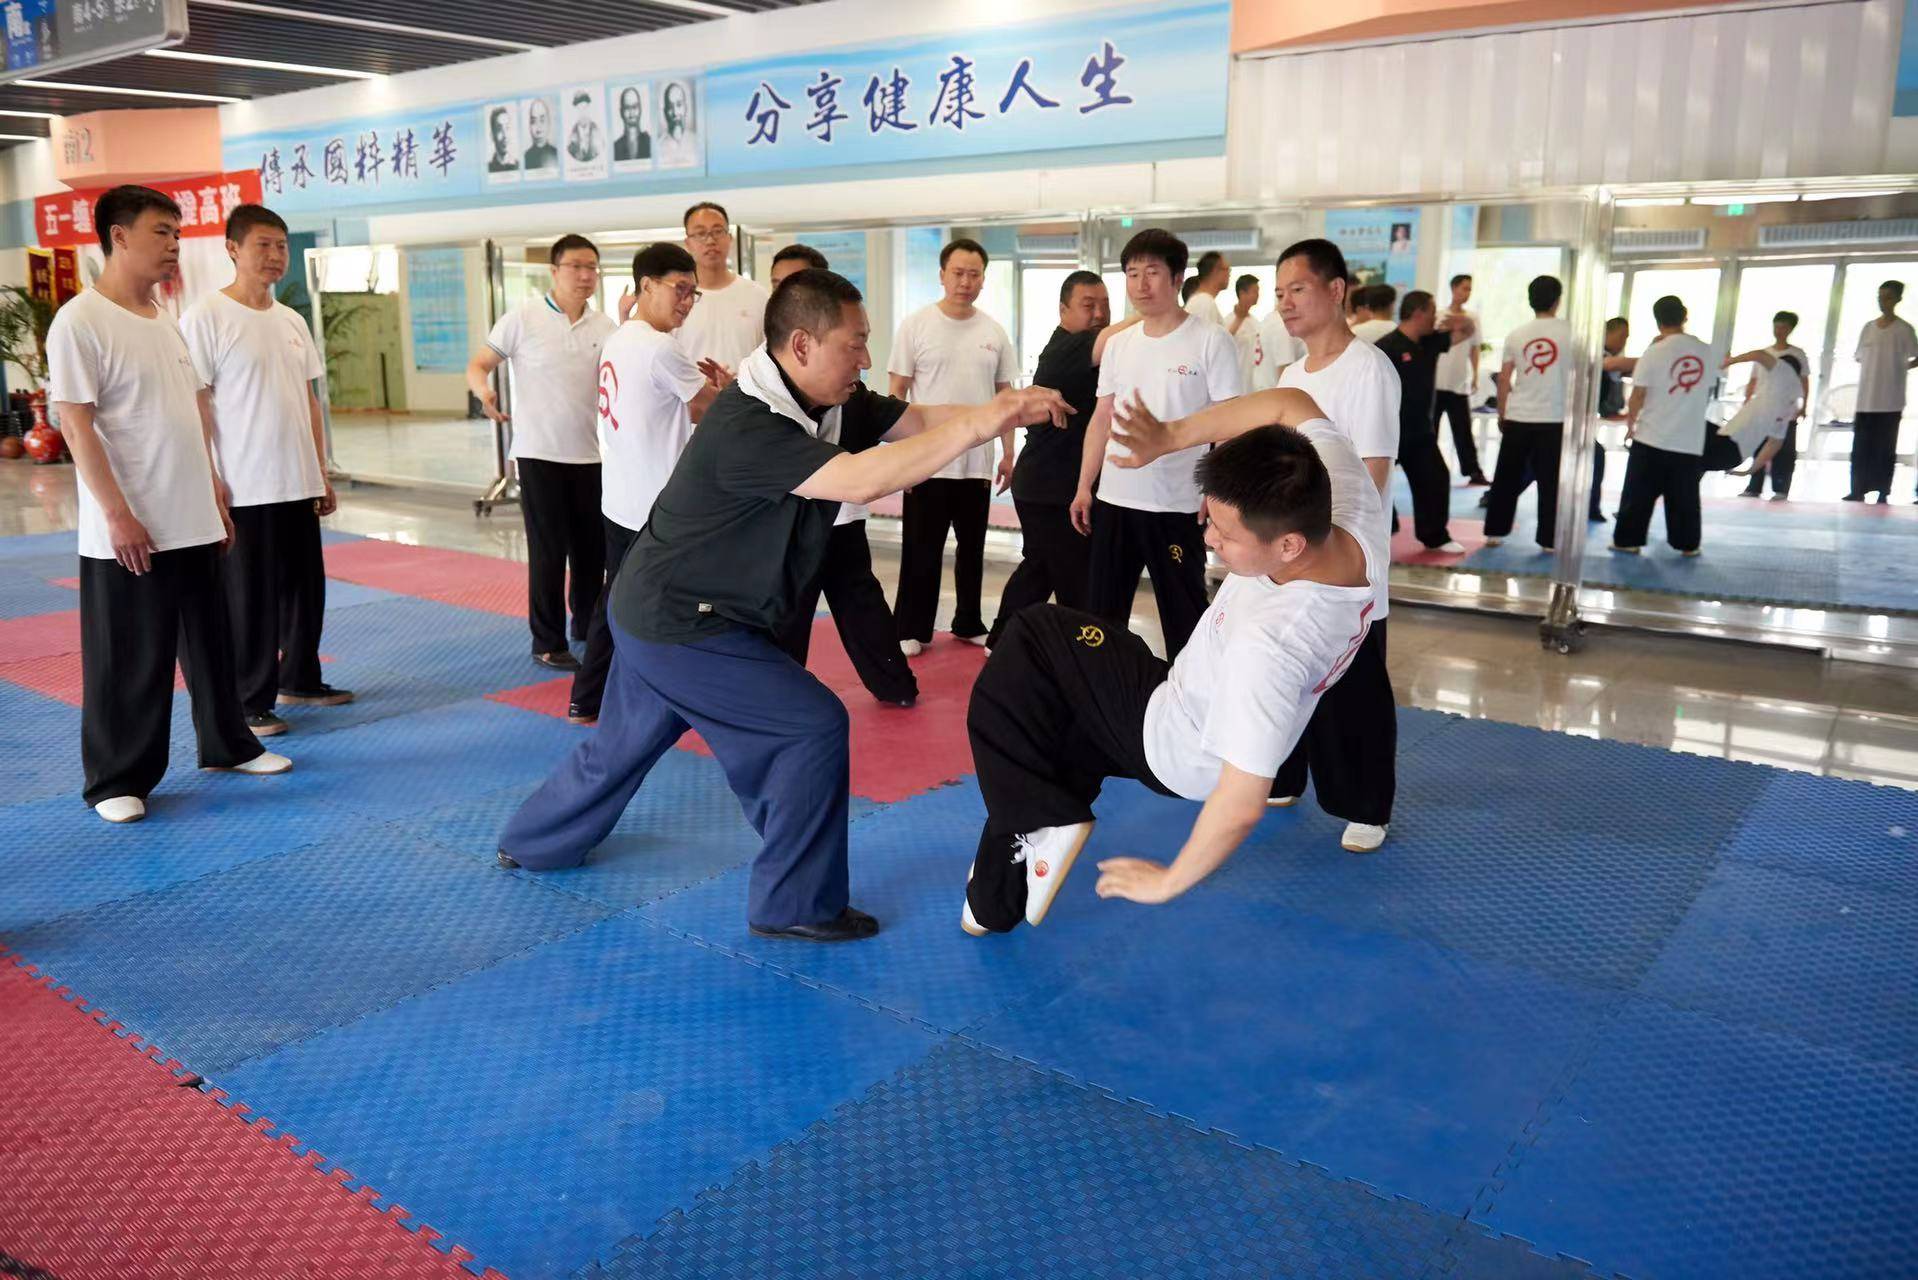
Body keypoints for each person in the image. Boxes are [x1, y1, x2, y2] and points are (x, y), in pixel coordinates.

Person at [497, 269, 1069, 944]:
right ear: (801, 345)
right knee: (810, 725)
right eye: (853, 344)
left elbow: (917, 420)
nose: (864, 358)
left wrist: (1007, 405)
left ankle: (533, 840)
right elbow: (865, 477)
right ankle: (794, 901)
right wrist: (987, 421)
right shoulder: (751, 423)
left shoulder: (829, 396)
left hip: (657, 605)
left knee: (623, 744)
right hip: (680, 621)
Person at [961, 396, 1384, 933]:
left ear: (1288, 544)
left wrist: (1169, 880)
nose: (1208, 538)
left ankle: (1045, 815)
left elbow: (1243, 797)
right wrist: (1170, 435)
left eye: (1226, 536)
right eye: (1211, 518)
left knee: (1031, 636)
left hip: (1176, 743)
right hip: (1182, 690)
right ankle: (994, 898)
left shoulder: (1275, 644)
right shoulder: (1343, 503)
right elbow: (1291, 403)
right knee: (1054, 735)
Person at [49, 185, 290, 825]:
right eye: (162, 233)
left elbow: (188, 412)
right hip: (131, 524)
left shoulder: (164, 318)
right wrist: (117, 513)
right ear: (119, 236)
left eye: (178, 235)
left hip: (191, 513)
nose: (174, 246)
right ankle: (116, 778)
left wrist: (212, 484)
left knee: (211, 641)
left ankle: (227, 742)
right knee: (131, 655)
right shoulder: (81, 321)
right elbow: (76, 424)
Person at [180, 203, 347, 740]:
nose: (276, 256)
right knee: (250, 599)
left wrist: (321, 471)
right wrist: (210, 476)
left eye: (281, 246)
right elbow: (197, 404)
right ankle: (252, 699)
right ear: (232, 249)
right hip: (245, 484)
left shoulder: (291, 320)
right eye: (263, 245)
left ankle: (301, 677)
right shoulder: (206, 317)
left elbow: (310, 401)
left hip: (297, 479)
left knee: (305, 590)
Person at [1265, 237, 1401, 853]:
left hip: (1348, 560)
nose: (1285, 303)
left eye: (1297, 289)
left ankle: (1367, 805)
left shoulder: (1367, 368)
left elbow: (1370, 473)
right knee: (1291, 671)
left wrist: (1325, 545)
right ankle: (1288, 775)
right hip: (1297, 553)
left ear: (1335, 289)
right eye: (1279, 293)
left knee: (1355, 685)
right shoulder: (1292, 375)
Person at [568, 243, 728, 725]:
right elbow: (709, 409)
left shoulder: (621, 337)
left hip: (621, 499)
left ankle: (589, 698)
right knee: (672, 603)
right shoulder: (660, 348)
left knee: (617, 599)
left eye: (692, 293)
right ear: (646, 286)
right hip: (656, 508)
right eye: (679, 290)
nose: (686, 301)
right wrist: (735, 386)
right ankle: (675, 695)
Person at [1073, 228, 1241, 659]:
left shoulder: (1210, 340)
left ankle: (1189, 705)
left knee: (1183, 617)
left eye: (1152, 272)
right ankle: (1102, 703)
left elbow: (1228, 423)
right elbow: (1101, 417)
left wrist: (1217, 492)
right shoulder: (1118, 344)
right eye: (1132, 274)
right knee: (1101, 618)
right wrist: (1084, 486)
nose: (1141, 284)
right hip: (1115, 499)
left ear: (1177, 277)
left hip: (1176, 504)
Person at [765, 245, 919, 708]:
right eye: (778, 286)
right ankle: (780, 697)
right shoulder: (765, 377)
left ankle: (894, 684)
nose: (788, 293)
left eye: (799, 283)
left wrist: (993, 417)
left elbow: (901, 420)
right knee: (788, 611)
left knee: (860, 601)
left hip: (841, 514)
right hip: (790, 520)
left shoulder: (847, 378)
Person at [467, 234, 617, 670]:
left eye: (592, 267)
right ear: (554, 271)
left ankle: (586, 625)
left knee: (592, 554)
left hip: (589, 454)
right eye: (576, 266)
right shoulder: (522, 318)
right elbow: (479, 364)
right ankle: (547, 641)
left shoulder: (605, 327)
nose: (586, 275)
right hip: (538, 454)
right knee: (549, 553)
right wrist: (484, 392)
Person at [984, 272, 1136, 650]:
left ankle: (1002, 640)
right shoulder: (1065, 349)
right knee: (1074, 578)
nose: (1099, 312)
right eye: (1088, 305)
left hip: (1054, 484)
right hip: (1049, 487)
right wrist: (1160, 308)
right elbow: (1109, 337)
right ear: (1063, 310)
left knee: (1040, 568)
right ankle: (1081, 652)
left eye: (1105, 304)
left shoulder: (1102, 354)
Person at [888, 237, 1018, 654]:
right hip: (928, 460)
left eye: (974, 274)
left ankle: (967, 621)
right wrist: (902, 458)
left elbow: (1006, 398)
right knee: (920, 550)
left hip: (976, 463)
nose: (965, 281)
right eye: (958, 273)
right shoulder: (916, 325)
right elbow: (896, 395)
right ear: (942, 275)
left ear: (983, 279)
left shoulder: (993, 332)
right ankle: (912, 627)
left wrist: (1009, 451)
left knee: (971, 550)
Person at [1611, 295, 1713, 556]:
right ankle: (1688, 545)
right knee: (1685, 496)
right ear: (1685, 317)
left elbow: (1637, 395)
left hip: (1652, 434)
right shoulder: (1705, 351)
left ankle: (1627, 541)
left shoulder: (1654, 352)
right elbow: (1708, 389)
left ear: (1657, 322)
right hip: (1689, 437)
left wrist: (1631, 424)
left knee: (1638, 493)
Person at [1483, 275, 1574, 551]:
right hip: (1554, 417)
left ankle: (1495, 532)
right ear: (1557, 300)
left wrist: (1502, 413)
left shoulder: (1516, 334)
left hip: (1519, 415)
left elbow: (1504, 379)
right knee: (1551, 481)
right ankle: (1549, 541)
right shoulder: (1572, 332)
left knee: (1506, 477)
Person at [1376, 290, 1470, 552]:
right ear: (1418, 313)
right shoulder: (1386, 347)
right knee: (1374, 486)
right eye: (1431, 311)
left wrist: (1452, 320)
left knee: (1436, 478)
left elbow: (1468, 330)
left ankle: (1435, 535)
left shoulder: (1430, 342)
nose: (1434, 317)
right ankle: (1375, 531)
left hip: (1420, 431)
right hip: (1388, 431)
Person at [676, 202, 770, 372]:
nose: (710, 240)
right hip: (690, 398)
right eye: (700, 233)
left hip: (745, 397)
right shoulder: (676, 300)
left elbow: (771, 359)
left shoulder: (758, 296)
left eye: (718, 231)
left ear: (729, 238)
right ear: (688, 243)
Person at [1846, 280, 1917, 504]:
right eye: (1880, 296)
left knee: (1884, 449)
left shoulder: (1904, 329)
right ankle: (1857, 489)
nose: (1882, 301)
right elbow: (1859, 356)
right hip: (1866, 399)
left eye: (1887, 297)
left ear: (1897, 299)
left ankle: (1883, 491)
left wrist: (1900, 368)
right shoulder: (1868, 328)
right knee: (1861, 448)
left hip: (1891, 400)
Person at [1738, 311, 1809, 501]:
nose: (1779, 331)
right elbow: (1753, 380)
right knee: (1758, 447)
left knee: (1784, 450)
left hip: (1787, 408)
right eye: (1776, 326)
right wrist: (1747, 400)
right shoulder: (1764, 353)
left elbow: (1804, 381)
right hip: (1763, 406)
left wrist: (1803, 406)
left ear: (1791, 329)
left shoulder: (1797, 354)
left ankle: (1781, 488)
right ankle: (1754, 487)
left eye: (1783, 327)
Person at [1708, 346, 1806, 478]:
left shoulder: (1784, 370)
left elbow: (1759, 355)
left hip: (1725, 443)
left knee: (1690, 431)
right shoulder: (1792, 401)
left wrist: (1728, 362)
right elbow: (1774, 443)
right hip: (1734, 457)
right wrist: (1749, 471)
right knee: (1691, 461)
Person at [1434, 273, 1487, 484]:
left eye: (1470, 289)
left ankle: (1473, 471)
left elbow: (1475, 348)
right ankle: (1428, 471)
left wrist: (1475, 374)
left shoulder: (1472, 318)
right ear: (1454, 288)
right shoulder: (1438, 315)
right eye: (1464, 288)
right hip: (1436, 382)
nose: (1467, 293)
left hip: (1459, 383)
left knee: (1463, 430)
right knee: (1430, 431)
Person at [1250, 298, 1306, 392]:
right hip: (1276, 392)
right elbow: (1284, 369)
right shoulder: (1283, 325)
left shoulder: (1268, 319)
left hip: (1263, 389)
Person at [1227, 273, 1262, 386]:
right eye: (1254, 291)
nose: (1258, 295)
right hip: (1236, 382)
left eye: (1258, 291)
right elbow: (1223, 342)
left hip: (1253, 382)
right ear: (1242, 293)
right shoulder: (1228, 320)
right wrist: (1239, 319)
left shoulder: (1256, 322)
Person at [1183, 250, 1230, 328]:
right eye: (1227, 269)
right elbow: (1203, 339)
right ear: (1215, 271)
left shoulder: (1204, 301)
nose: (1229, 274)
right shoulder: (1203, 303)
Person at [658, 80, 698, 168]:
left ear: (685, 108)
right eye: (670, 107)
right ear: (665, 112)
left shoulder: (697, 142)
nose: (675, 113)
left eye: (679, 105)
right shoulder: (658, 148)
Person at [613, 87, 651, 162]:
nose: (631, 113)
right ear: (621, 112)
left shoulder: (649, 142)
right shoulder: (615, 147)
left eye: (634, 107)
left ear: (640, 109)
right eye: (627, 108)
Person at [566, 92, 603, 163]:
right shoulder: (570, 138)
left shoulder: (598, 134)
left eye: (585, 108)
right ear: (575, 111)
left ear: (590, 109)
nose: (583, 113)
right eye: (579, 109)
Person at [522, 98, 558, 172]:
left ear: (549, 122)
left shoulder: (556, 154)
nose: (538, 126)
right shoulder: (525, 157)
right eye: (533, 121)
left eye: (542, 120)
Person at [487, 107, 518, 174]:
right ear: (492, 135)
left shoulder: (519, 167)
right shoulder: (487, 170)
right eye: (499, 129)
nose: (505, 135)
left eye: (507, 128)